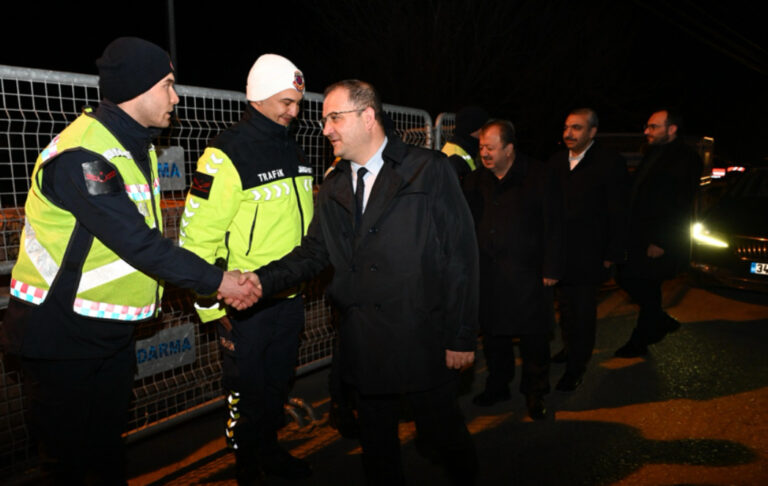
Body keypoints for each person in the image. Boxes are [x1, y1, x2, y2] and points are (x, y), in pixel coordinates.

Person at [0, 37, 259, 484]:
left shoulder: (131, 145)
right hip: (61, 335)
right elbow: (139, 243)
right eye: (168, 85)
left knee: (105, 455)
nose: (176, 98)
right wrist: (221, 282)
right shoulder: (84, 155)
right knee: (71, 465)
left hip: (104, 333)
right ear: (137, 88)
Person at [252, 79, 479, 485]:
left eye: (334, 118)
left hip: (423, 338)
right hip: (364, 342)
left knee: (444, 438)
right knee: (377, 450)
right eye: (324, 121)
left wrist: (461, 336)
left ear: (368, 116)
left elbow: (460, 256)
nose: (326, 130)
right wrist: (257, 281)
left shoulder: (427, 169)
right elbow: (314, 253)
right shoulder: (335, 184)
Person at [178, 53, 313, 483]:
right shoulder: (226, 154)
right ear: (258, 97)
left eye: (298, 103)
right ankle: (247, 467)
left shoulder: (294, 146)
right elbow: (198, 238)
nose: (294, 112)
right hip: (244, 302)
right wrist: (213, 307)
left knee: (276, 386)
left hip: (289, 295)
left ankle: (268, 453)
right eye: (286, 102)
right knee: (247, 393)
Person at [462, 120, 563, 420]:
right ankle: (498, 386)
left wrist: (552, 266)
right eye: (482, 147)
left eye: (491, 148)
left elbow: (555, 224)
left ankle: (535, 392)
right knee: (494, 336)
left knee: (534, 338)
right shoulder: (475, 181)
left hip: (529, 273)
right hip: (490, 275)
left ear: (509, 148)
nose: (484, 153)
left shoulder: (539, 176)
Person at [548, 108, 630, 390]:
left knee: (582, 312)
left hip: (590, 254)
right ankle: (569, 348)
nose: (569, 133)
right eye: (566, 127)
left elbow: (619, 211)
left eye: (577, 128)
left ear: (592, 132)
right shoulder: (556, 162)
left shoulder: (609, 163)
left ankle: (576, 366)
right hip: (560, 253)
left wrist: (612, 253)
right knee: (565, 308)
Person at [614, 108, 703, 357]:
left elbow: (679, 204)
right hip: (637, 234)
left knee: (647, 283)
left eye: (653, 126)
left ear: (672, 129)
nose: (647, 131)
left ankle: (641, 339)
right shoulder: (653, 153)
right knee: (628, 278)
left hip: (657, 237)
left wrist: (660, 240)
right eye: (647, 126)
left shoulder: (686, 159)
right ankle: (659, 319)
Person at [441, 105, 489, 180]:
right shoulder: (454, 156)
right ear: (474, 128)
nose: (486, 131)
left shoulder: (467, 146)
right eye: (484, 127)